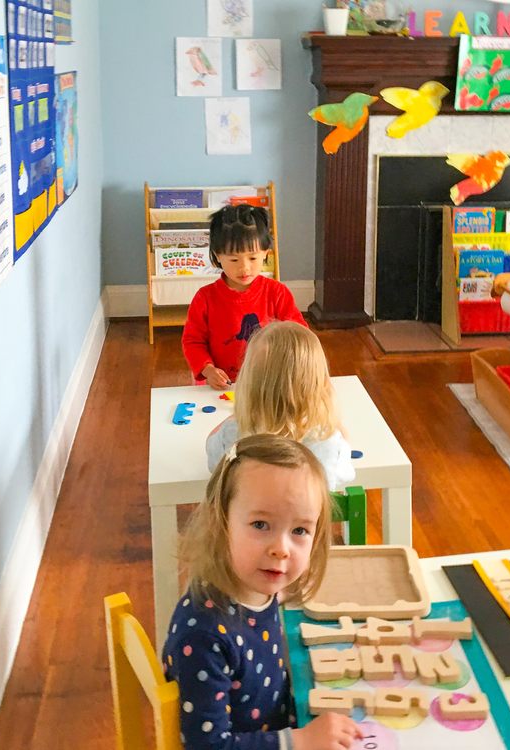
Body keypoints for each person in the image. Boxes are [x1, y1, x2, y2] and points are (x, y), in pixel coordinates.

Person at [163, 434, 362, 750]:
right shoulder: (203, 636)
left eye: (299, 530)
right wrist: (301, 740)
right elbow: (208, 746)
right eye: (260, 525)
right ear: (221, 521)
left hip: (280, 723)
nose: (281, 549)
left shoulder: (256, 588)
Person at [206, 322, 355, 492]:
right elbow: (345, 461)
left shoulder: (233, 433)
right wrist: (335, 423)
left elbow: (212, 457)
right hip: (307, 519)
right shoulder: (327, 440)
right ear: (320, 386)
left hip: (249, 518)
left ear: (247, 384)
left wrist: (236, 417)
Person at [182, 203, 306, 390]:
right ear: (218, 256)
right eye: (233, 259)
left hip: (268, 383)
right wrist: (208, 370)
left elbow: (299, 335)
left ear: (266, 253)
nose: (244, 267)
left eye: (253, 258)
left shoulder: (277, 292)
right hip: (220, 385)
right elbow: (193, 341)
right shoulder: (205, 298)